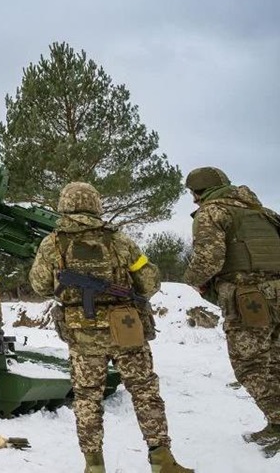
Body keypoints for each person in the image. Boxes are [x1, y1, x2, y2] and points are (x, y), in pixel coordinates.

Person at [30, 182, 192, 473]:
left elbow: (40, 285)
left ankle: (94, 465)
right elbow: (149, 282)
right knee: (144, 391)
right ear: (96, 205)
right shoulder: (120, 240)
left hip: (82, 334)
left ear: (64, 205)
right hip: (126, 328)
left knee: (87, 397)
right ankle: (162, 460)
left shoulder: (52, 243)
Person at [182, 166, 280, 457]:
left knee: (249, 364)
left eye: (193, 194)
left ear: (198, 192)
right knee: (275, 360)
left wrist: (193, 281)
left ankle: (278, 421)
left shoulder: (211, 213)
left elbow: (208, 261)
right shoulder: (263, 212)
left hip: (250, 301)